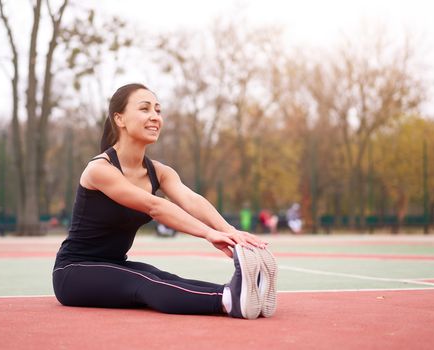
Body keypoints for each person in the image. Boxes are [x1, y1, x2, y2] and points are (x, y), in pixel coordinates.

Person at [53, 83, 277, 319]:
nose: (155, 117)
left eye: (158, 110)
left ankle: (243, 294)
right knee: (146, 283)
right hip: (74, 271)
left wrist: (230, 232)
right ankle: (228, 301)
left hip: (114, 264)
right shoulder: (100, 170)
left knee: (166, 278)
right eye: (145, 109)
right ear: (119, 119)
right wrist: (209, 234)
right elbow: (155, 206)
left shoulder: (159, 172)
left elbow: (190, 199)